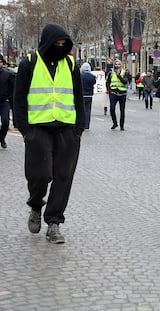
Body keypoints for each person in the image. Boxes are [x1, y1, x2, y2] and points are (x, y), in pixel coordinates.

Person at [13, 23, 85, 243]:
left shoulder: (71, 64)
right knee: (40, 174)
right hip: (38, 128)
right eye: (56, 43)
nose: (60, 46)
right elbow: (19, 98)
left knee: (64, 176)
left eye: (64, 43)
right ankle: (35, 205)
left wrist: (79, 128)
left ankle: (54, 223)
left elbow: (78, 97)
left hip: (67, 128)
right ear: (46, 42)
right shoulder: (29, 63)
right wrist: (24, 130)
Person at [106, 59, 128, 130]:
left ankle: (122, 126)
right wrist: (109, 90)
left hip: (122, 93)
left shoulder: (124, 73)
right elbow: (107, 82)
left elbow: (125, 82)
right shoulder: (111, 73)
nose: (117, 66)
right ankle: (115, 123)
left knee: (122, 110)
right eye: (116, 64)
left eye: (119, 64)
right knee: (112, 109)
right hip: (113, 93)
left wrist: (119, 76)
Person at [0, 54, 15, 148]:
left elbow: (12, 89)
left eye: (0, 62)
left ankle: (2, 138)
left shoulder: (8, 74)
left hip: (4, 102)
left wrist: (9, 98)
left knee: (5, 122)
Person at [80, 62, 96, 130]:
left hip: (82, 95)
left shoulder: (80, 75)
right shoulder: (92, 76)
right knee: (88, 111)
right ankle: (87, 125)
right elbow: (94, 83)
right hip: (89, 95)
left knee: (81, 110)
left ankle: (81, 124)